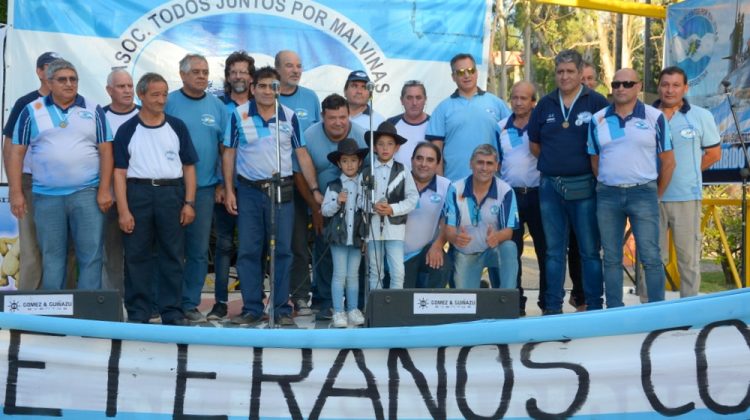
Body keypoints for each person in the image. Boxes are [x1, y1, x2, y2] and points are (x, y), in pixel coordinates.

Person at [223, 66, 322, 326]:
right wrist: (229, 190)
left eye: (273, 87)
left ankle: (281, 309)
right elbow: (229, 153)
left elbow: (301, 154)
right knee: (248, 252)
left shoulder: (288, 116)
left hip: (281, 191)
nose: (269, 91)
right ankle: (252, 308)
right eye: (263, 86)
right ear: (253, 88)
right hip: (249, 191)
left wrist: (313, 190)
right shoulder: (239, 114)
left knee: (282, 252)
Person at [8, 58, 113, 290]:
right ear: (49, 82)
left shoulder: (93, 109)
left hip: (86, 194)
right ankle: (53, 318)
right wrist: (15, 192)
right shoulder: (31, 110)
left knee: (91, 255)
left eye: (73, 79)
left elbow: (106, 150)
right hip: (46, 196)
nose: (69, 84)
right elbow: (16, 153)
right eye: (62, 80)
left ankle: (87, 317)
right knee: (53, 257)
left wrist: (105, 189)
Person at [528, 49, 610, 315]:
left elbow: (606, 145)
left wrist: (577, 167)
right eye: (560, 72)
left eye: (570, 71)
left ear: (580, 73)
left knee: (588, 250)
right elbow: (535, 144)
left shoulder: (596, 102)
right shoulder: (545, 104)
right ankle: (552, 308)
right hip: (550, 186)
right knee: (553, 252)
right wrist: (556, 164)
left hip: (585, 185)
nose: (564, 76)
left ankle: (595, 305)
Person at [113, 72, 198, 326]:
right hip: (138, 194)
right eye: (155, 95)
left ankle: (172, 311)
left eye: (164, 94)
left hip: (171, 194)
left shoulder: (177, 126)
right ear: (141, 95)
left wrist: (189, 202)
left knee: (172, 254)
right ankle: (139, 311)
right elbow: (119, 173)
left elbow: (190, 167)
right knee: (137, 254)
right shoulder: (128, 129)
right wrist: (123, 211)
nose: (161, 100)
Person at [588, 69, 676, 307]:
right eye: (616, 83)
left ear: (639, 86)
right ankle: (616, 310)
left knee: (650, 256)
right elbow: (595, 160)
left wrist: (655, 195)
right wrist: (611, 181)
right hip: (607, 195)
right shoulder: (597, 120)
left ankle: (656, 310)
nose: (621, 88)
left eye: (627, 83)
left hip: (643, 193)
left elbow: (668, 161)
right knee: (611, 258)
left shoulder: (655, 117)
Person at [165, 53, 228, 322]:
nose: (202, 76)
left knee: (199, 251)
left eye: (205, 72)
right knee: (168, 248)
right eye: (196, 72)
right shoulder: (167, 103)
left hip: (204, 189)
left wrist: (222, 183)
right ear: (182, 75)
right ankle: (166, 302)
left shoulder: (218, 107)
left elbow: (225, 150)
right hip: (169, 187)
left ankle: (189, 303)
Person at [299, 94, 369, 320]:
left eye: (343, 117)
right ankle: (326, 304)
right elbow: (298, 173)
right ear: (322, 117)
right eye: (332, 118)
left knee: (353, 268)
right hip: (319, 200)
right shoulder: (309, 135)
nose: (338, 122)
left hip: (354, 214)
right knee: (324, 254)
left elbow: (368, 174)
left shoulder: (361, 135)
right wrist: (316, 209)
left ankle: (354, 307)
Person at [655, 66, 721, 297]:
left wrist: (688, 172)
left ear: (685, 88)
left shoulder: (701, 116)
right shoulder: (646, 114)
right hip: (652, 198)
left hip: (686, 197)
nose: (670, 90)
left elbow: (714, 154)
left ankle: (689, 308)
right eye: (665, 84)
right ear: (659, 86)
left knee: (688, 258)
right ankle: (648, 306)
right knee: (652, 258)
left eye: (675, 85)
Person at [2, 51, 60, 290]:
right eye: (48, 66)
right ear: (38, 71)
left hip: (64, 186)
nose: (52, 71)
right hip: (31, 183)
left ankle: (62, 305)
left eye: (58, 66)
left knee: (62, 247)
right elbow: (9, 146)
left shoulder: (74, 102)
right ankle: (27, 308)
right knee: (31, 247)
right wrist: (14, 188)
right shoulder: (25, 103)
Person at [208, 50, 255, 321]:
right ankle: (221, 302)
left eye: (243, 72)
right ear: (227, 76)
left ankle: (253, 302)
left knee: (253, 247)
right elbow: (217, 148)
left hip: (252, 189)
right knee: (224, 245)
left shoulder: (260, 104)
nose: (238, 76)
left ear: (251, 76)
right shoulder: (217, 105)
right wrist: (220, 185)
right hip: (223, 189)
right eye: (233, 71)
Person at [275, 50, 321, 316]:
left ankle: (302, 296)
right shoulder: (268, 96)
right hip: (277, 181)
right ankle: (274, 297)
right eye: (289, 66)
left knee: (302, 243)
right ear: (277, 69)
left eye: (299, 66)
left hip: (306, 181)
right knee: (281, 244)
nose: (295, 70)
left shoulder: (310, 98)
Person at [497, 81, 545, 315]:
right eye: (514, 97)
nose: (518, 102)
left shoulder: (542, 126)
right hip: (510, 197)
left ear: (533, 102)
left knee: (544, 250)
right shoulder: (500, 128)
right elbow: (495, 162)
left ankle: (548, 302)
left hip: (538, 194)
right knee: (511, 250)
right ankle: (515, 302)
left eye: (523, 98)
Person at [426, 53, 510, 181]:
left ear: (476, 73)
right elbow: (436, 151)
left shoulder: (497, 104)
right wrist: (441, 183)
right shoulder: (442, 108)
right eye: (460, 72)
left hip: (492, 184)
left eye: (470, 70)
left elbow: (511, 143)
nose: (466, 75)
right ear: (453, 77)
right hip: (454, 183)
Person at [444, 144, 518, 289]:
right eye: (480, 162)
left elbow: (508, 232)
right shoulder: (455, 188)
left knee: (509, 247)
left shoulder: (506, 191)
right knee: (466, 305)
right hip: (466, 252)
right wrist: (455, 238)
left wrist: (496, 237)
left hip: (493, 249)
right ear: (471, 163)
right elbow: (449, 229)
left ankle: (507, 299)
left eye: (489, 163)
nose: (484, 168)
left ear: (496, 166)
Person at [362, 121, 418, 291]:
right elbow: (358, 199)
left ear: (397, 148)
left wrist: (393, 209)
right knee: (375, 272)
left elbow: (413, 198)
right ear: (374, 147)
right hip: (372, 228)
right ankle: (377, 310)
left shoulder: (403, 170)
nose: (385, 148)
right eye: (380, 144)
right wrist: (373, 207)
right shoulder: (367, 171)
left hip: (394, 229)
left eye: (390, 144)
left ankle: (394, 310)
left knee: (398, 271)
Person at [320, 138, 368, 327]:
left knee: (353, 274)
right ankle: (338, 311)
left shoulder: (364, 185)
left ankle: (353, 309)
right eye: (345, 161)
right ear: (339, 163)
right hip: (338, 238)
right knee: (339, 274)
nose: (350, 165)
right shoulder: (333, 186)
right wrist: (337, 201)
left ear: (360, 162)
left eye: (353, 160)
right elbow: (324, 210)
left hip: (356, 237)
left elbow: (366, 212)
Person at [102, 69, 139, 293]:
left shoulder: (146, 116)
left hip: (138, 195)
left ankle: (140, 302)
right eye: (121, 86)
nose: (127, 91)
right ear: (109, 90)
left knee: (139, 253)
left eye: (129, 86)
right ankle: (113, 303)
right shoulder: (99, 116)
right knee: (111, 253)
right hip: (109, 197)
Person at [403, 142, 452, 289]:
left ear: (438, 164)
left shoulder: (446, 186)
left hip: (426, 250)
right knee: (402, 301)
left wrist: (437, 246)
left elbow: (448, 220)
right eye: (419, 158)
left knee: (442, 264)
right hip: (395, 253)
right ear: (412, 160)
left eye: (430, 160)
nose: (423, 164)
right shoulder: (398, 180)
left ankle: (433, 311)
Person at [388, 80, 430, 169]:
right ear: (401, 100)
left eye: (418, 98)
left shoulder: (435, 124)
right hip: (396, 181)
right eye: (409, 98)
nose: (414, 103)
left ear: (425, 100)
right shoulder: (391, 124)